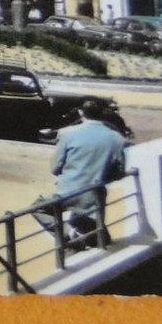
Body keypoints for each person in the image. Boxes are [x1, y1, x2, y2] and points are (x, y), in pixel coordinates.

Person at [49, 99, 129, 249]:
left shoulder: (67, 134)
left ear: (81, 112)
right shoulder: (117, 139)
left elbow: (54, 168)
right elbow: (119, 173)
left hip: (67, 193)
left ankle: (69, 234)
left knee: (40, 208)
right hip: (94, 195)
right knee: (98, 235)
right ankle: (87, 237)